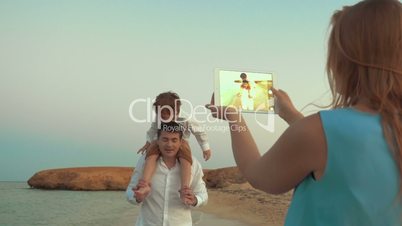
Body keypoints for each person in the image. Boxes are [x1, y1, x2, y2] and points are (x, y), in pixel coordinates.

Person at [206, 0, 402, 225]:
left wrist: (234, 117)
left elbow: (258, 175)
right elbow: (338, 148)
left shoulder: (317, 132)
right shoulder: (323, 132)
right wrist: (291, 116)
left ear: (343, 63)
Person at [136, 91, 212, 205]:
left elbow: (199, 131)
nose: (165, 119)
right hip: (160, 139)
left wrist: (205, 147)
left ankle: (185, 189)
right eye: (162, 116)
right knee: (150, 156)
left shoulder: (187, 118)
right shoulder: (159, 117)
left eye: (168, 117)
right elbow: (152, 129)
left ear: (176, 112)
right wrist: (148, 143)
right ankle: (145, 184)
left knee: (186, 160)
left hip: (182, 141)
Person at [126, 121, 208, 226]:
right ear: (157, 141)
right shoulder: (145, 162)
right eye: (165, 139)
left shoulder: (193, 164)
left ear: (180, 142)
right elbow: (129, 192)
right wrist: (137, 197)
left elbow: (203, 195)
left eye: (174, 140)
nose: (169, 145)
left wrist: (195, 200)